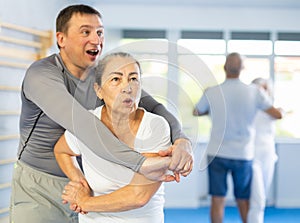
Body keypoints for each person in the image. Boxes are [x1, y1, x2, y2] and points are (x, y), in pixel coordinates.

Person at [9, 4, 193, 223]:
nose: (96, 40)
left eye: (99, 32)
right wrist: (142, 164)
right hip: (40, 185)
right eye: (85, 32)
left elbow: (156, 108)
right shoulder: (41, 75)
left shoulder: (104, 78)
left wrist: (182, 140)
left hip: (88, 185)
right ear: (61, 39)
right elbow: (84, 125)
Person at [54, 52, 172, 222]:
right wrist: (80, 183)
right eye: (116, 79)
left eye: (133, 79)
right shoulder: (87, 123)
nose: (127, 87)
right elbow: (62, 150)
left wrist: (84, 202)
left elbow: (139, 195)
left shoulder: (155, 126)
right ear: (99, 90)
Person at [193, 52, 283, 223]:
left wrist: (211, 108)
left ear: (224, 67)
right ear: (242, 69)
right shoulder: (254, 92)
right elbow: (277, 114)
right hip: (243, 154)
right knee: (243, 200)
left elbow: (196, 111)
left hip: (217, 152)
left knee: (217, 200)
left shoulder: (212, 92)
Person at [247, 78, 284, 223]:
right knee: (258, 197)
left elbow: (280, 113)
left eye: (263, 89)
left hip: (267, 155)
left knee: (262, 196)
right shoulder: (249, 109)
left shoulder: (271, 110)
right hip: (252, 156)